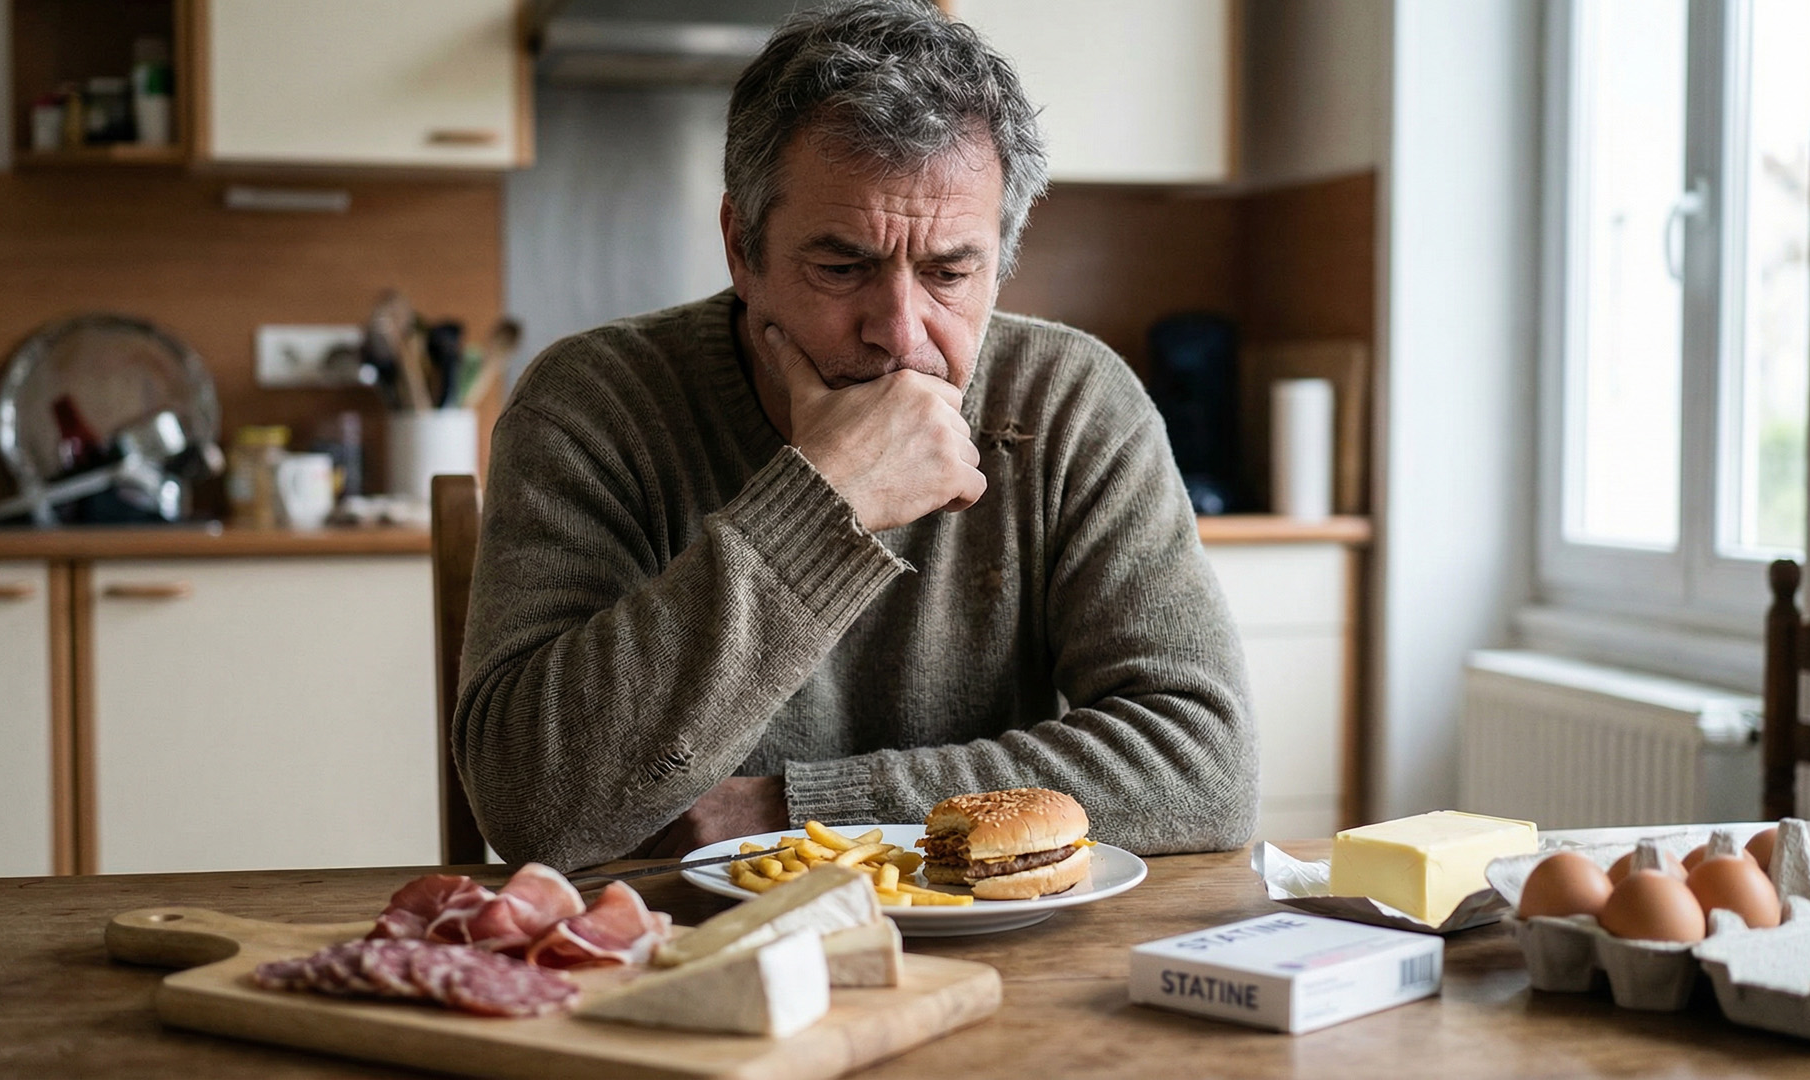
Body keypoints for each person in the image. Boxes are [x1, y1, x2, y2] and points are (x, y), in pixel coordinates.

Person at [457, 0, 1257, 871]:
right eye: (842, 268)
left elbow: (1204, 769)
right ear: (742, 248)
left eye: (949, 273)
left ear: (999, 261)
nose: (900, 334)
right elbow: (534, 807)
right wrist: (822, 500)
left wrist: (794, 811)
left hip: (998, 932)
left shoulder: (1072, 400)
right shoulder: (592, 405)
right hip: (682, 935)